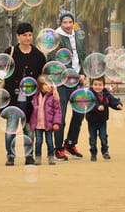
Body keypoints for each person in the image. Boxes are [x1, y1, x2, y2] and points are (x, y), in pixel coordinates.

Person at [1, 22, 46, 166]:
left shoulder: (38, 55)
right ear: (18, 36)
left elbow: (42, 76)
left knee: (28, 129)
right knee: (11, 129)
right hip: (13, 98)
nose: (28, 38)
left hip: (30, 100)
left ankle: (29, 156)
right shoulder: (10, 52)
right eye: (25, 35)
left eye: (30, 35)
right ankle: (10, 155)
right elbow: (0, 71)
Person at [47, 11, 88, 160]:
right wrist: (54, 84)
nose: (68, 25)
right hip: (62, 82)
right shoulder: (55, 38)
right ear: (60, 24)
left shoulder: (78, 36)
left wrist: (83, 73)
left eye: (70, 22)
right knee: (60, 115)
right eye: (65, 23)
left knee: (79, 112)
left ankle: (70, 143)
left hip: (77, 80)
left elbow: (83, 56)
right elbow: (51, 60)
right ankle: (58, 149)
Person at [86, 76, 122, 162]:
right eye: (95, 84)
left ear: (103, 86)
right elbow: (89, 104)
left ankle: (105, 151)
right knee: (93, 138)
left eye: (100, 85)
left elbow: (112, 100)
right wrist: (97, 107)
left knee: (103, 137)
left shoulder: (106, 94)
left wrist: (118, 105)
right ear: (92, 85)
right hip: (92, 120)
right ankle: (93, 153)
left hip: (102, 120)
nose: (97, 87)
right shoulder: (89, 94)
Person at [29, 75, 61, 165]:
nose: (49, 86)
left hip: (49, 124)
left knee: (50, 142)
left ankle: (51, 157)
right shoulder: (35, 95)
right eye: (46, 84)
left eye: (50, 84)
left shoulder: (54, 96)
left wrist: (56, 123)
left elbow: (58, 111)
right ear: (40, 85)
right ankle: (38, 157)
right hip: (38, 124)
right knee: (38, 142)